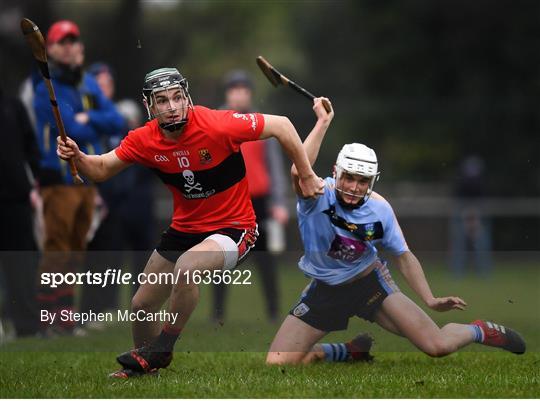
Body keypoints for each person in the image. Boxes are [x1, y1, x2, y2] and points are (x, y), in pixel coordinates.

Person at [56, 67, 325, 377]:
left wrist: (306, 174)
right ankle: (144, 369)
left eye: (177, 98)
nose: (172, 107)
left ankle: (163, 348)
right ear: (150, 107)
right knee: (142, 305)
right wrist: (77, 156)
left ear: (187, 97)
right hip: (185, 229)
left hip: (235, 228)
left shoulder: (217, 123)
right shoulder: (145, 139)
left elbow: (283, 125)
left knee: (188, 267)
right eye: (162, 101)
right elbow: (101, 168)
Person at [266, 98, 526, 365]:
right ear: (336, 172)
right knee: (277, 363)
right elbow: (299, 170)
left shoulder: (380, 209)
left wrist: (430, 299)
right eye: (350, 178)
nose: (355, 187)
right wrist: (323, 122)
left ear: (372, 181)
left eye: (363, 181)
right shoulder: (317, 195)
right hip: (325, 290)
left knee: (437, 345)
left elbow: (403, 256)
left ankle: (479, 330)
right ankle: (346, 352)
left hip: (370, 285)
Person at [33, 20, 124, 335]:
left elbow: (116, 121)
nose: (70, 46)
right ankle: (46, 318)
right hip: (58, 180)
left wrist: (91, 117)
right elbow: (71, 129)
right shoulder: (43, 84)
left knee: (76, 249)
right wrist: (88, 122)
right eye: (63, 41)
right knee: (57, 249)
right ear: (52, 49)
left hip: (86, 178)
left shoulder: (87, 83)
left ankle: (65, 317)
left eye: (74, 40)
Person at [80, 62, 157, 321]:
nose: (105, 89)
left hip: (120, 201)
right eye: (99, 84)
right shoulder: (83, 115)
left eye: (108, 83)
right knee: (91, 259)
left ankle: (111, 309)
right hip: (93, 196)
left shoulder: (116, 120)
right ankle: (85, 312)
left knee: (112, 258)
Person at [212, 70, 289, 323]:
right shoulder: (216, 123)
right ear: (228, 94)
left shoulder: (260, 124)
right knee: (221, 258)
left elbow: (274, 166)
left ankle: (273, 311)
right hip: (228, 201)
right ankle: (218, 313)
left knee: (266, 259)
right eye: (235, 90)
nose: (239, 95)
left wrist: (279, 202)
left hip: (259, 201)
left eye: (244, 90)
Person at [0, 85, 40, 339]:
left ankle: (26, 326)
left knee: (22, 265)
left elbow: (31, 148)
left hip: (16, 199)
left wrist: (36, 185)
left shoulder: (13, 106)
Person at [449, 155, 492, 278]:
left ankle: (484, 273)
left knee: (482, 245)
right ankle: (457, 273)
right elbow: (457, 203)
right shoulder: (460, 184)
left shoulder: (481, 184)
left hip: (479, 218)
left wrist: (476, 219)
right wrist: (466, 217)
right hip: (461, 217)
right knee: (459, 245)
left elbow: (483, 204)